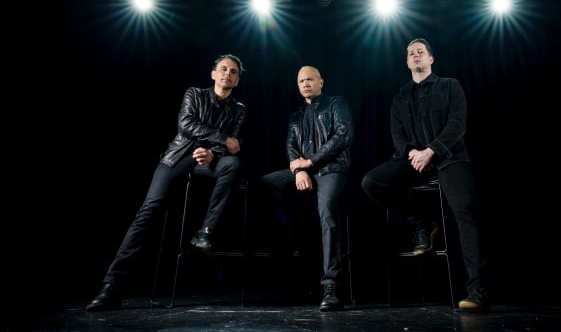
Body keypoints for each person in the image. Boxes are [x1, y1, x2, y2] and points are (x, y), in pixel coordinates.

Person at [86, 53, 247, 312]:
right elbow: (186, 124)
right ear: (213, 74)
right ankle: (111, 287)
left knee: (233, 165)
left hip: (208, 161)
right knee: (149, 209)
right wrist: (220, 139)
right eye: (224, 69)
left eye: (234, 71)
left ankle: (205, 232)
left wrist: (212, 152)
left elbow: (234, 145)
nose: (228, 73)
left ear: (237, 80)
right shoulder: (194, 94)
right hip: (178, 157)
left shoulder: (239, 110)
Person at [361, 38, 490, 311]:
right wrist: (414, 154)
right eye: (411, 53)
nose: (415, 55)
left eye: (421, 51)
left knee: (465, 212)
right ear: (407, 62)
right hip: (414, 161)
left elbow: (457, 124)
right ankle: (421, 224)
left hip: (449, 158)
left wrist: (432, 151)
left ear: (431, 59)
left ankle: (477, 290)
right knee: (371, 182)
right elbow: (398, 135)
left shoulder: (451, 86)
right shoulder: (400, 96)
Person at [257, 66, 353, 312]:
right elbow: (290, 147)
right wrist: (299, 171)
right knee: (265, 184)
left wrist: (310, 163)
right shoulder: (296, 116)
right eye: (301, 81)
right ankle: (293, 239)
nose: (306, 83)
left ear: (321, 81)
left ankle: (331, 286)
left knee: (328, 214)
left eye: (310, 79)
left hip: (331, 170)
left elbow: (343, 136)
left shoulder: (336, 103)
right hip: (304, 173)